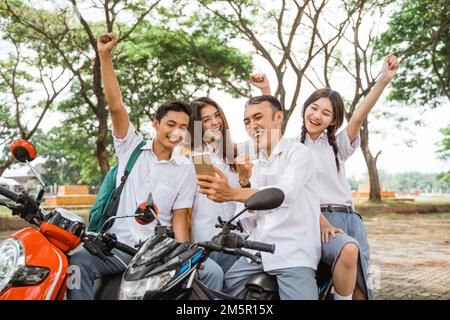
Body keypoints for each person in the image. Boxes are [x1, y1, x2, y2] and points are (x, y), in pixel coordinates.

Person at [67, 33, 222, 299]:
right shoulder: (131, 147)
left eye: (183, 127)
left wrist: (185, 254)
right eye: (170, 124)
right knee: (77, 264)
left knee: (213, 272)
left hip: (156, 252)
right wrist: (105, 56)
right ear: (156, 123)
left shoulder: (186, 167)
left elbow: (179, 218)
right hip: (117, 248)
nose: (176, 131)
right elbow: (116, 106)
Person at [251, 54, 399, 299]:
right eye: (314, 107)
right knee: (335, 266)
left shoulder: (337, 145)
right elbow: (270, 122)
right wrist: (266, 89)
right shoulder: (289, 146)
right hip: (314, 219)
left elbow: (359, 116)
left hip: (349, 219)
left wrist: (383, 80)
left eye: (326, 113)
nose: (317, 115)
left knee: (361, 292)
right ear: (305, 108)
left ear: (333, 121)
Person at [196, 95, 321, 300]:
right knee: (220, 293)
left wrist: (233, 193)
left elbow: (283, 194)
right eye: (247, 121)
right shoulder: (250, 161)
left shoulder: (299, 153)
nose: (252, 125)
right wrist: (244, 184)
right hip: (254, 251)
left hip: (292, 253)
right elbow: (250, 220)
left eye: (258, 117)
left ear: (278, 117)